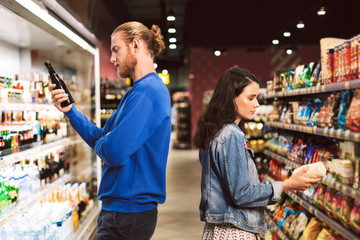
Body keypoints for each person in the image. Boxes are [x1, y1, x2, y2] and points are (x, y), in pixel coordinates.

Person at [49, 21, 171, 240]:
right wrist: (71, 111)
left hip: (128, 214)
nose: (112, 59)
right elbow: (101, 137)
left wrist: (106, 142)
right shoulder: (135, 92)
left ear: (135, 45)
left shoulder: (149, 92)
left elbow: (113, 152)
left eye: (116, 50)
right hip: (121, 211)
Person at [193, 66, 321, 240]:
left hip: (217, 229)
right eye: (251, 98)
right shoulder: (231, 135)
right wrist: (287, 185)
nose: (257, 104)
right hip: (235, 231)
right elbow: (242, 194)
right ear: (231, 97)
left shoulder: (213, 130)